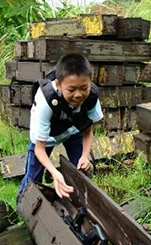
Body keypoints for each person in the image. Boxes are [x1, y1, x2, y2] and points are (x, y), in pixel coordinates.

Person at [16, 53, 103, 203]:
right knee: (33, 178)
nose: (78, 95)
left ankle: (84, 208)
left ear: (90, 82)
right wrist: (55, 173)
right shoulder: (46, 100)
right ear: (58, 85)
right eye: (71, 89)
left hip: (73, 131)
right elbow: (39, 149)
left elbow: (88, 129)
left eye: (84, 88)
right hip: (46, 137)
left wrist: (85, 156)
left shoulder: (92, 97)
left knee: (82, 172)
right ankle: (21, 206)